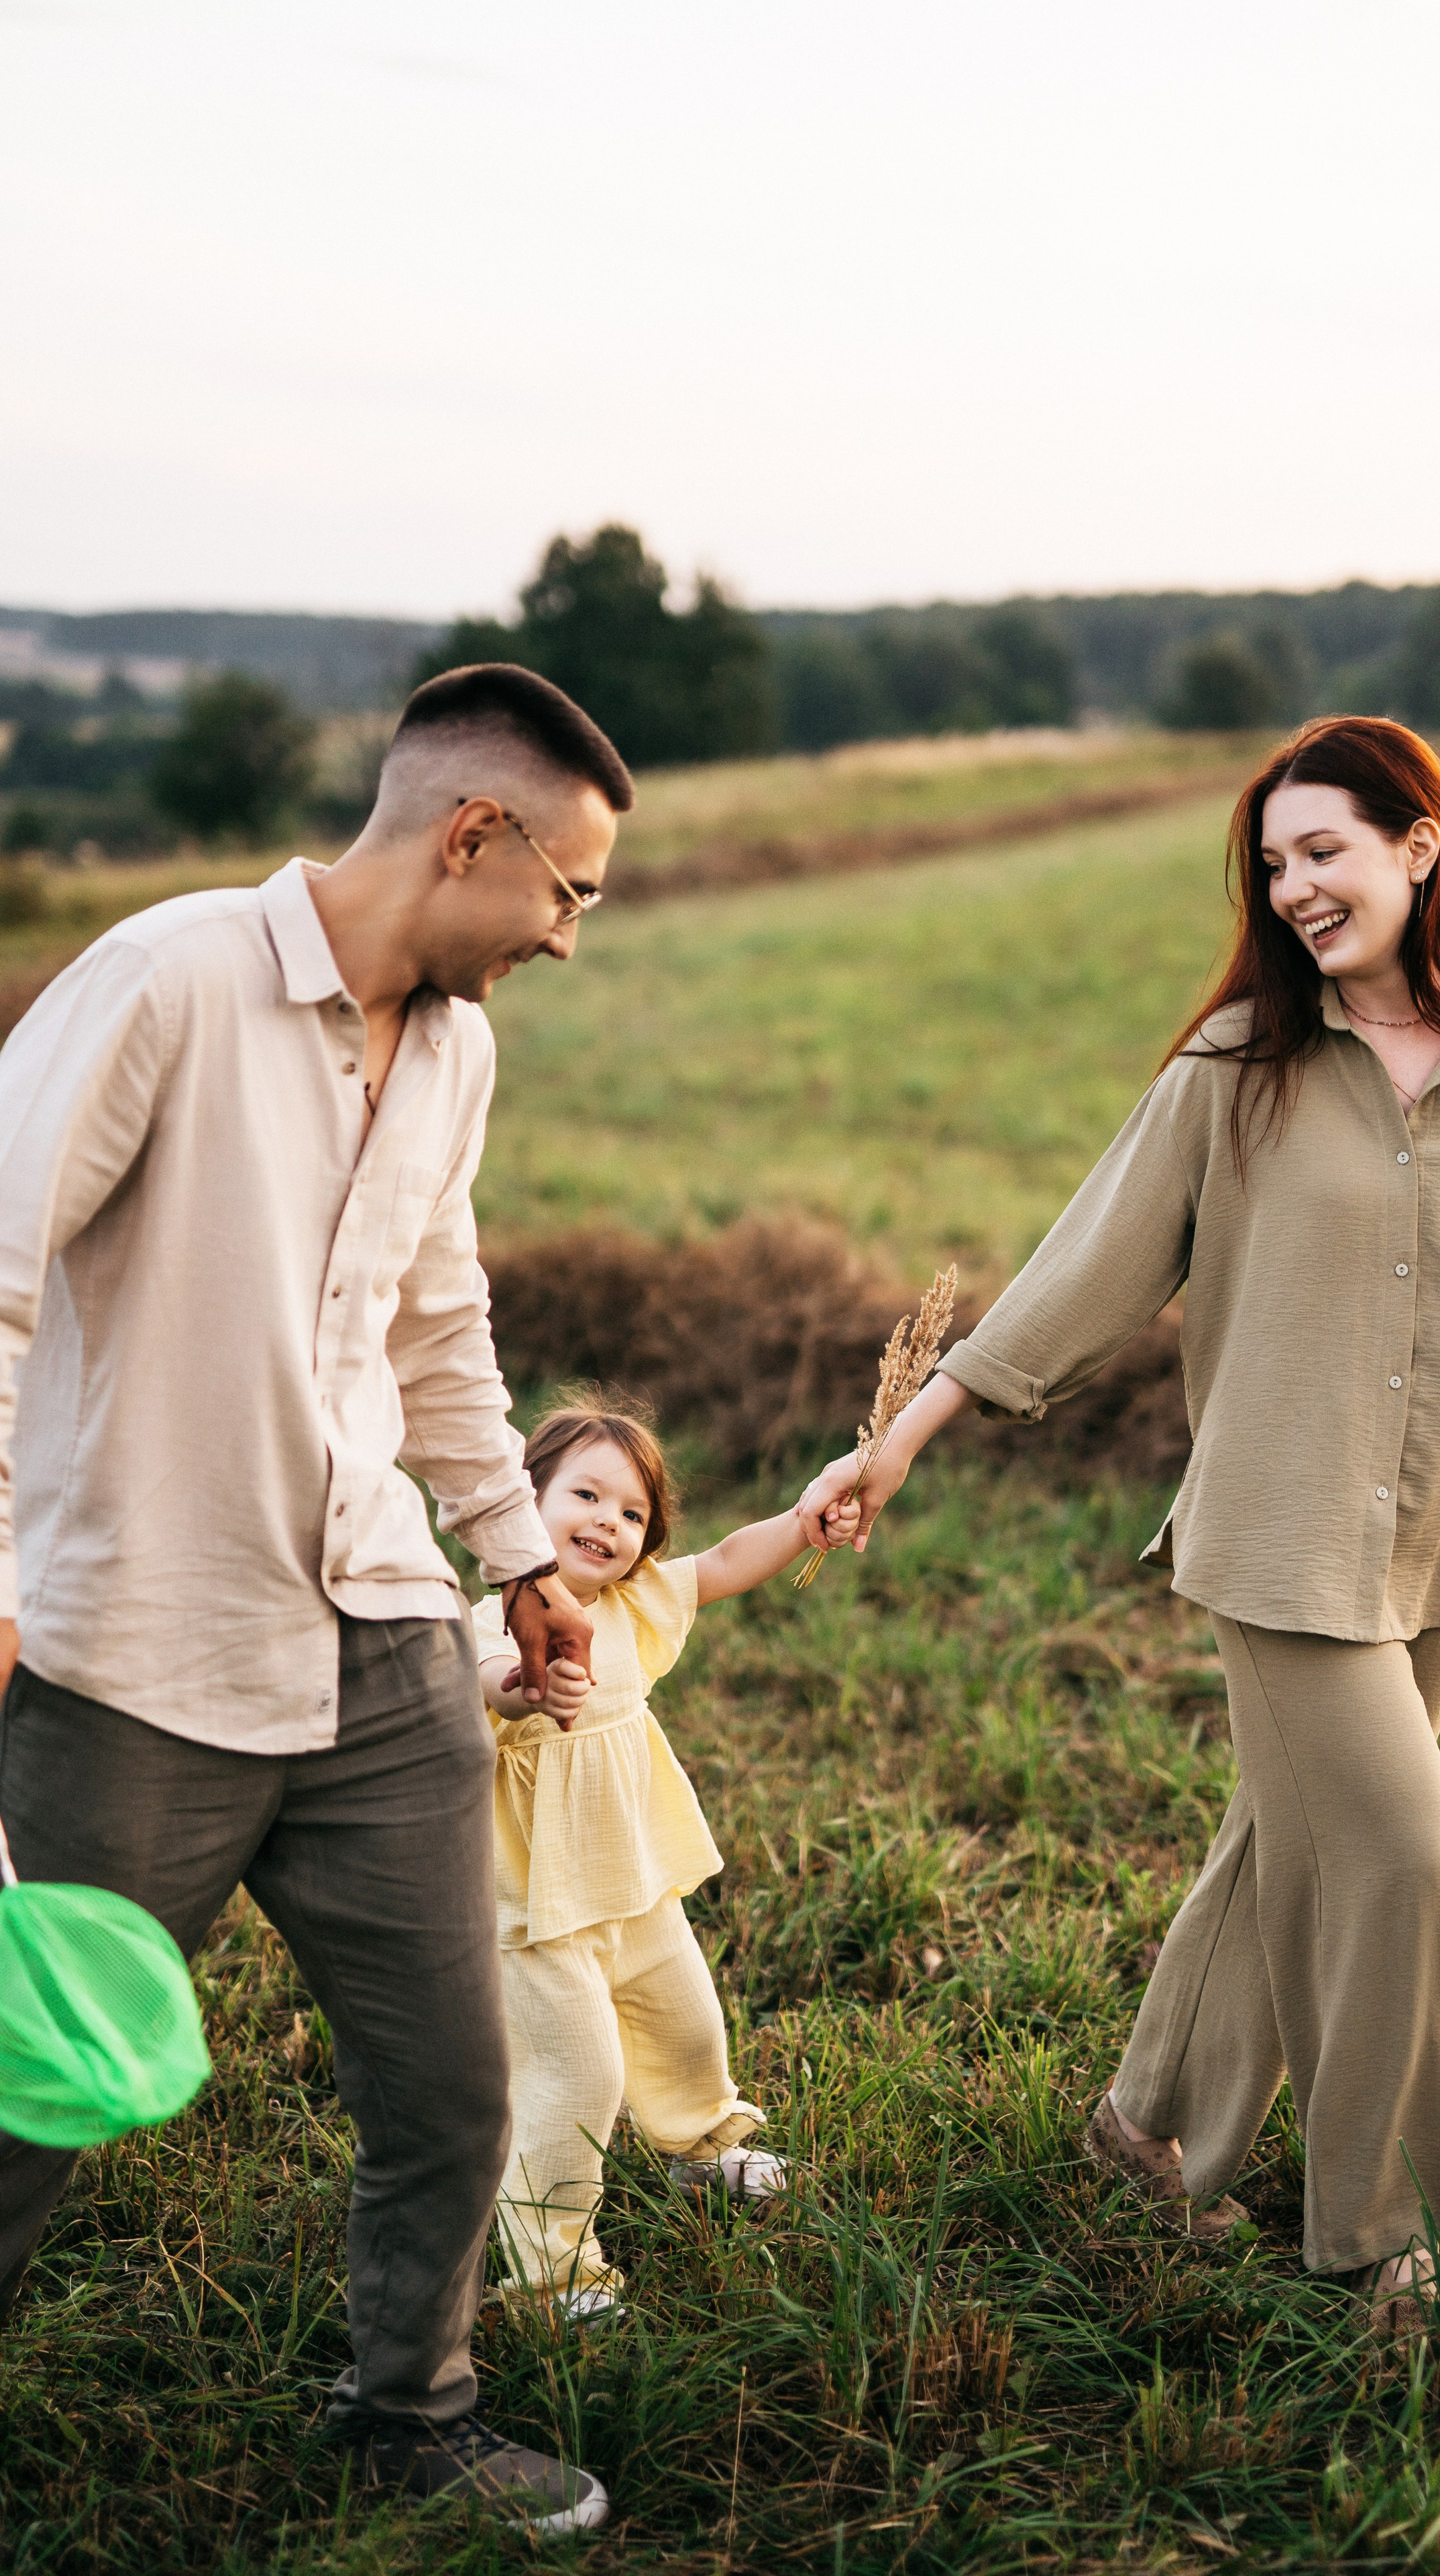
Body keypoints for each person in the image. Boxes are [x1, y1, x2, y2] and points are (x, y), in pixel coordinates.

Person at [800, 715, 1440, 2333]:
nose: (1291, 886)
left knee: (1293, 1839)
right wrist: (900, 1440)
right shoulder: (1239, 1069)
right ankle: (1390, 2230)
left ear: (1418, 845)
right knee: (1397, 1854)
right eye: (1271, 864)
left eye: (1321, 849)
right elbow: (1079, 1274)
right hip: (1275, 1528)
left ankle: (1150, 2124)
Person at [0, 663, 632, 2532]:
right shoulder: (170, 981)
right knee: (33, 2097)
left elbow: (438, 1328)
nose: (570, 938)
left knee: (452, 2084)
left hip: (381, 1642)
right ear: (470, 835)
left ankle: (411, 2414)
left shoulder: (453, 1048)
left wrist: (514, 1555)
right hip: (133, 1657)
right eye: (569, 890)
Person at [472, 1402, 859, 2316]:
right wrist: (525, 1687)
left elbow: (724, 1562)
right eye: (587, 1495)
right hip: (534, 1912)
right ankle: (553, 2275)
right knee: (579, 2078)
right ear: (522, 1507)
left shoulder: (633, 1607)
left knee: (687, 2024)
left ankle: (705, 2151)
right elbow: (477, 1679)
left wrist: (807, 1519)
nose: (609, 1521)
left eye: (633, 1512)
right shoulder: (496, 1617)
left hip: (633, 1883)